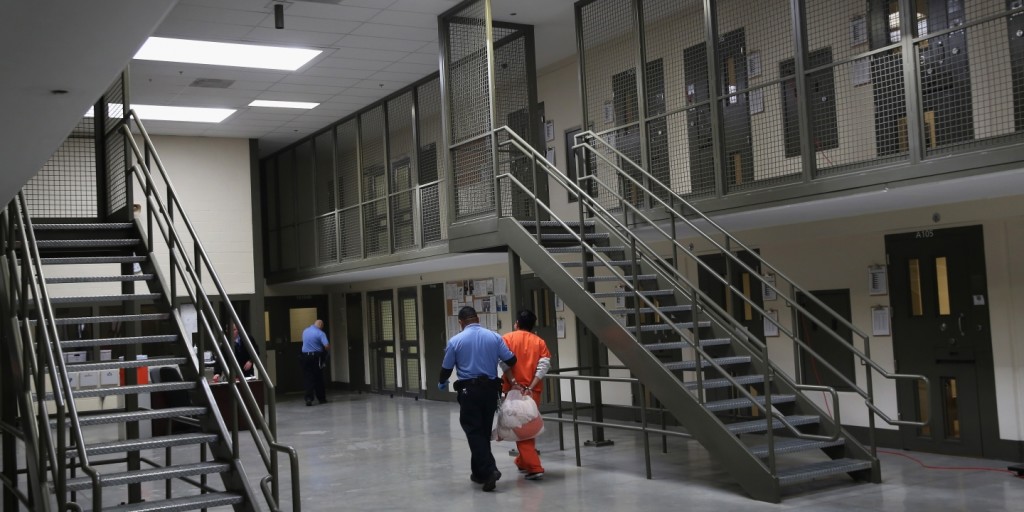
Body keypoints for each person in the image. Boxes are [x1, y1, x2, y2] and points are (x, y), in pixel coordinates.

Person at [438, 306, 517, 492]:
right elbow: (511, 360)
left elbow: (446, 369)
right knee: (481, 431)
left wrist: (442, 381)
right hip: (491, 391)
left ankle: (490, 470)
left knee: (474, 432)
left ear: (461, 322)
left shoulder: (455, 341)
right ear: (478, 319)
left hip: (469, 391)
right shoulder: (494, 337)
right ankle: (478, 473)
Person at [500, 309, 552, 481]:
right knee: (527, 427)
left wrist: (514, 381)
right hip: (532, 392)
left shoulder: (507, 339)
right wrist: (531, 386)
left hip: (513, 391)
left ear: (516, 324)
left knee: (521, 430)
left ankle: (534, 467)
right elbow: (543, 366)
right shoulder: (539, 342)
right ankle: (522, 461)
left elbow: (504, 363)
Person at [301, 319, 330, 406]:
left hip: (305, 356)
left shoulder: (305, 331)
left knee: (308, 377)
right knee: (318, 378)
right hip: (316, 357)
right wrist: (325, 355)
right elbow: (327, 346)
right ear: (321, 325)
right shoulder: (320, 333)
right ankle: (321, 398)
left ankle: (308, 398)